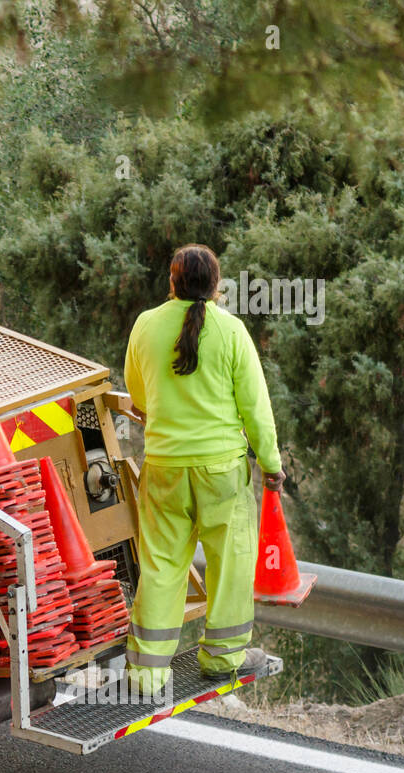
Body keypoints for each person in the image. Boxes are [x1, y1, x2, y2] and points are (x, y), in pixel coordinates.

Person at [122, 244, 284, 694]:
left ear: (172, 283)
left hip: (164, 469)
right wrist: (271, 464)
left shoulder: (146, 325)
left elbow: (137, 392)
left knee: (161, 565)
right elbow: (256, 408)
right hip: (221, 473)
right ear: (216, 287)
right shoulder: (232, 332)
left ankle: (147, 674)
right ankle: (223, 657)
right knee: (229, 563)